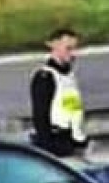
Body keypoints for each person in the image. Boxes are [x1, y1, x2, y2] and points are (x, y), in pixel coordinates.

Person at [28, 27, 87, 158]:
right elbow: (40, 116)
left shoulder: (69, 76)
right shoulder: (45, 77)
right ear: (54, 45)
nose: (73, 54)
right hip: (54, 142)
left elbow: (73, 110)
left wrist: (80, 140)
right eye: (68, 48)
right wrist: (48, 149)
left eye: (75, 48)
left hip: (70, 141)